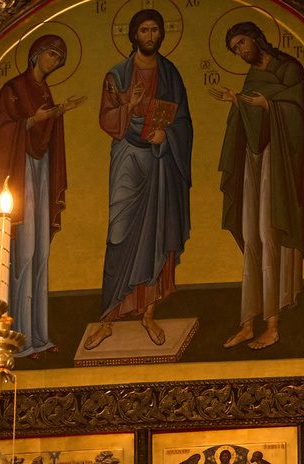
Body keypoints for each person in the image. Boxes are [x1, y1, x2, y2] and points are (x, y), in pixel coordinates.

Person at [90, 9, 193, 351]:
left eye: (156, 31)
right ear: (134, 35)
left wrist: (167, 135)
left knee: (157, 233)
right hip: (127, 159)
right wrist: (129, 109)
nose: (151, 36)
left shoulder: (171, 74)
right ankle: (108, 319)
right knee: (119, 234)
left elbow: (184, 121)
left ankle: (149, 313)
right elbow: (106, 119)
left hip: (160, 162)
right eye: (144, 31)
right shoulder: (117, 75)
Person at [217, 19, 304, 349]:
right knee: (251, 233)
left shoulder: (289, 69)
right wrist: (238, 102)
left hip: (279, 161)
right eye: (234, 49)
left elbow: (295, 113)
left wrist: (263, 104)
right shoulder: (253, 77)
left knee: (270, 233)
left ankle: (273, 324)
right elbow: (249, 115)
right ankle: (247, 322)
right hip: (253, 158)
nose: (240, 52)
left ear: (256, 39)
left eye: (241, 43)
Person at [0, 34, 83, 355]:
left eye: (60, 59)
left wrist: (56, 113)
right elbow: (3, 132)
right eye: (52, 55)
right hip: (19, 171)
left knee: (41, 252)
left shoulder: (45, 91)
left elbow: (44, 134)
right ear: (36, 54)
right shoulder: (12, 90)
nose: (55, 62)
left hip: (40, 169)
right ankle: (17, 338)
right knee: (24, 251)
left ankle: (39, 337)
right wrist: (35, 119)